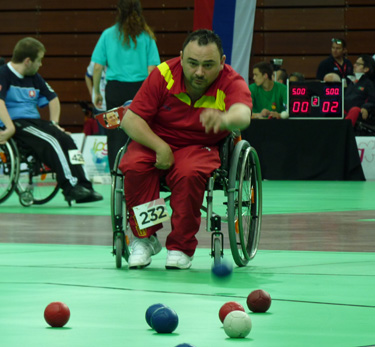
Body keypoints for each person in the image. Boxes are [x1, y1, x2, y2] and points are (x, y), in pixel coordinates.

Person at [119, 29, 252, 270]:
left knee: (189, 172)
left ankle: (180, 246)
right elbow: (131, 119)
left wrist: (225, 120)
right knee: (134, 165)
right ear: (181, 58)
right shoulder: (164, 74)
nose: (199, 72)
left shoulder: (231, 81)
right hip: (155, 140)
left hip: (200, 146)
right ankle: (145, 238)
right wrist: (160, 147)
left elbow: (243, 115)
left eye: (208, 65)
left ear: (222, 63)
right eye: (192, 63)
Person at [0, 37, 103, 204]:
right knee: (51, 141)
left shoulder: (34, 77)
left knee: (67, 139)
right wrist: (10, 127)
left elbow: (53, 99)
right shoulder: (3, 74)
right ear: (28, 61)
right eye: (39, 60)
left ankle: (85, 186)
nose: (40, 64)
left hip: (34, 122)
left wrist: (54, 123)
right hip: (15, 123)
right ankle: (70, 188)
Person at [91, 0, 161, 170]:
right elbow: (153, 69)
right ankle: (140, 169)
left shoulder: (107, 35)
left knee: (115, 132)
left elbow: (98, 67)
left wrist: (96, 92)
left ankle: (116, 173)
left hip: (115, 89)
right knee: (141, 130)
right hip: (140, 90)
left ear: (119, 12)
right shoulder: (146, 37)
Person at [344, 55, 375, 127]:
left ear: (366, 69)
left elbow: (373, 100)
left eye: (358, 64)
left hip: (359, 111)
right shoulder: (352, 82)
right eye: (355, 63)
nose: (354, 65)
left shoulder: (368, 83)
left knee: (354, 110)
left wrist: (366, 107)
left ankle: (344, 131)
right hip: (347, 110)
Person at [85, 61, 107, 135]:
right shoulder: (95, 62)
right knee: (103, 137)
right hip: (100, 106)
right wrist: (92, 94)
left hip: (113, 105)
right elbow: (87, 76)